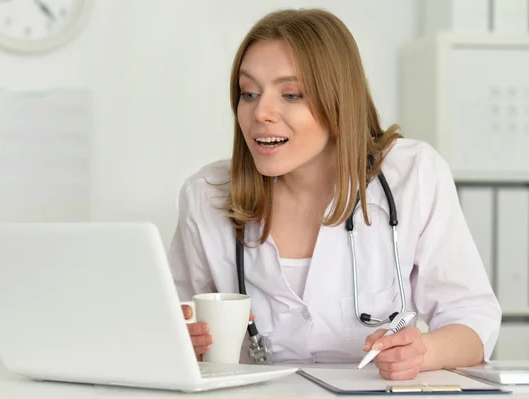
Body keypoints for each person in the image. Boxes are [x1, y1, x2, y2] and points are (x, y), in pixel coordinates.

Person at [167, 8, 501, 380]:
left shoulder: (414, 175)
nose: (260, 112)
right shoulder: (206, 196)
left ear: (339, 102)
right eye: (249, 93)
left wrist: (423, 352)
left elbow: (473, 320)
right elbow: (169, 321)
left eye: (291, 94)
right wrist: (176, 339)